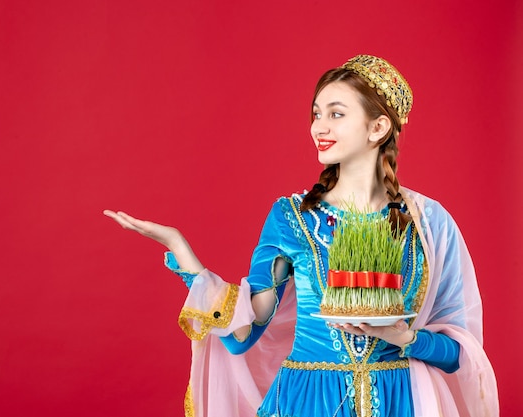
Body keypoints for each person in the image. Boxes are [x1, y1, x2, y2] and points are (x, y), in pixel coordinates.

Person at [105, 55, 499, 417]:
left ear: (377, 128)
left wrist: (404, 336)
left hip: (400, 399)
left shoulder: (427, 223)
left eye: (336, 114)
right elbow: (244, 332)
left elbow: (457, 354)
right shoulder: (292, 218)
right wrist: (182, 252)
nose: (318, 127)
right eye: (316, 114)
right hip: (309, 400)